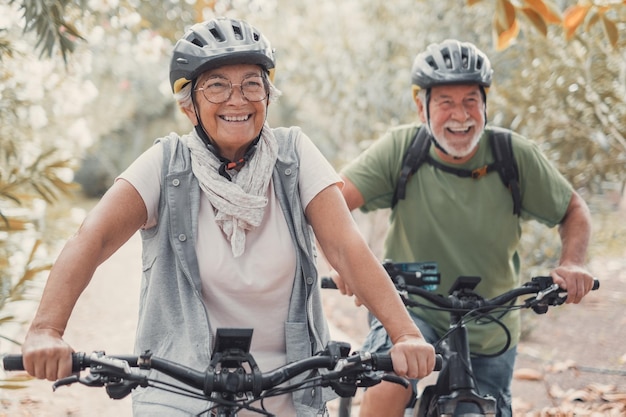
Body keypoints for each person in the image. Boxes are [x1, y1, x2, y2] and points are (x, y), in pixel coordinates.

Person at [19, 17, 437, 417]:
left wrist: (405, 334)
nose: (237, 99)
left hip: (287, 389)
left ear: (268, 97)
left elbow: (346, 247)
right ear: (190, 106)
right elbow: (91, 239)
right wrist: (46, 330)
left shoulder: (294, 155)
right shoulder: (167, 164)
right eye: (217, 86)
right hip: (179, 390)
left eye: (251, 85)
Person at [330, 39, 595, 417]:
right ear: (422, 107)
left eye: (471, 100)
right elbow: (333, 202)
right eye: (446, 102)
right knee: (389, 382)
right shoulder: (402, 148)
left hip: (491, 319)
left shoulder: (513, 156)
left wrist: (573, 262)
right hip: (410, 306)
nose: (461, 115)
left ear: (486, 105)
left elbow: (573, 209)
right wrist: (344, 264)